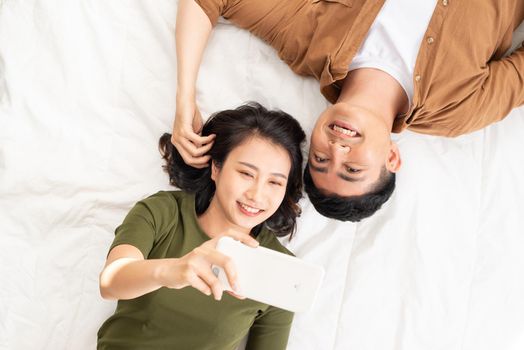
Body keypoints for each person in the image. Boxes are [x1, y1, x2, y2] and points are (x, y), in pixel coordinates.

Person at [171, 0, 524, 221]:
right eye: (352, 168)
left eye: (321, 160)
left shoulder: (310, 42)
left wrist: (185, 96)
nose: (337, 150)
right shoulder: (457, 109)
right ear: (392, 157)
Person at [97, 103, 306, 350]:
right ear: (216, 168)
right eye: (246, 174)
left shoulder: (280, 268)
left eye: (274, 182)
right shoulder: (164, 212)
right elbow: (111, 282)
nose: (257, 195)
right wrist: (174, 270)